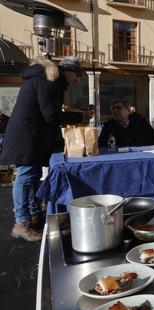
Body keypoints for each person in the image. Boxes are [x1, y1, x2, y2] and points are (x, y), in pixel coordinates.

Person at [0, 57, 90, 241]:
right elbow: (50, 115)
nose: (78, 79)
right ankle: (21, 223)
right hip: (27, 138)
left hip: (31, 137)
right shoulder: (47, 82)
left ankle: (33, 216)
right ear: (68, 71)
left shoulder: (46, 81)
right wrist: (79, 116)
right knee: (25, 177)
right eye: (77, 74)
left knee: (32, 176)